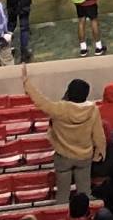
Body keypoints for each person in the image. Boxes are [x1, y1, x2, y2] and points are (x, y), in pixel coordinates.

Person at [23, 73, 108, 204]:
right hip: (84, 156)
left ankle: (61, 216)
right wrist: (100, 152)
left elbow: (40, 101)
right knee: (85, 193)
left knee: (62, 195)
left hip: (63, 156)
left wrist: (27, 84)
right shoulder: (93, 110)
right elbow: (99, 135)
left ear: (69, 92)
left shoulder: (59, 109)